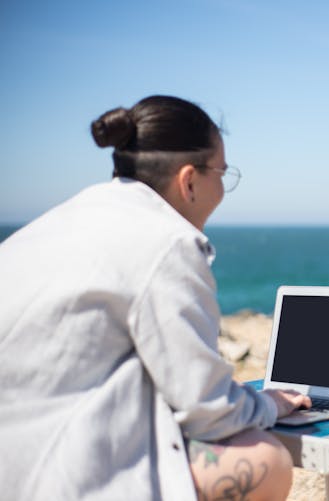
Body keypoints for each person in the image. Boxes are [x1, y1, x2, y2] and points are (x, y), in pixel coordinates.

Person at [0, 95, 310, 501]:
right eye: (222, 172)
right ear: (189, 181)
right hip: (57, 475)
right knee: (264, 459)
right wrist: (271, 404)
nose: (223, 186)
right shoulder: (167, 244)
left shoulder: (53, 224)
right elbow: (209, 411)